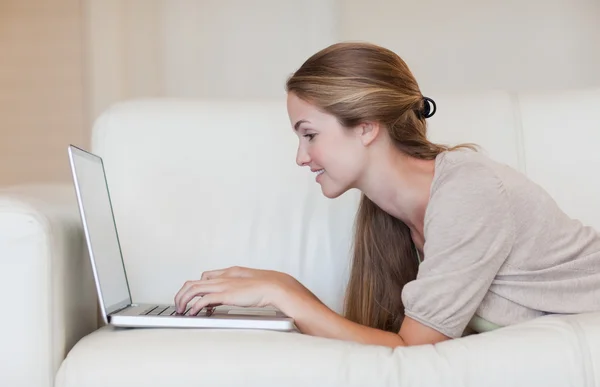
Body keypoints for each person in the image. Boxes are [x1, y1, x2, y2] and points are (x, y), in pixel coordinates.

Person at [174, 42, 600, 348]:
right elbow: (386, 341)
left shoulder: (469, 192)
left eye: (310, 135)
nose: (301, 158)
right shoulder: (386, 216)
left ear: (366, 126)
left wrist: (284, 292)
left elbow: (413, 347)